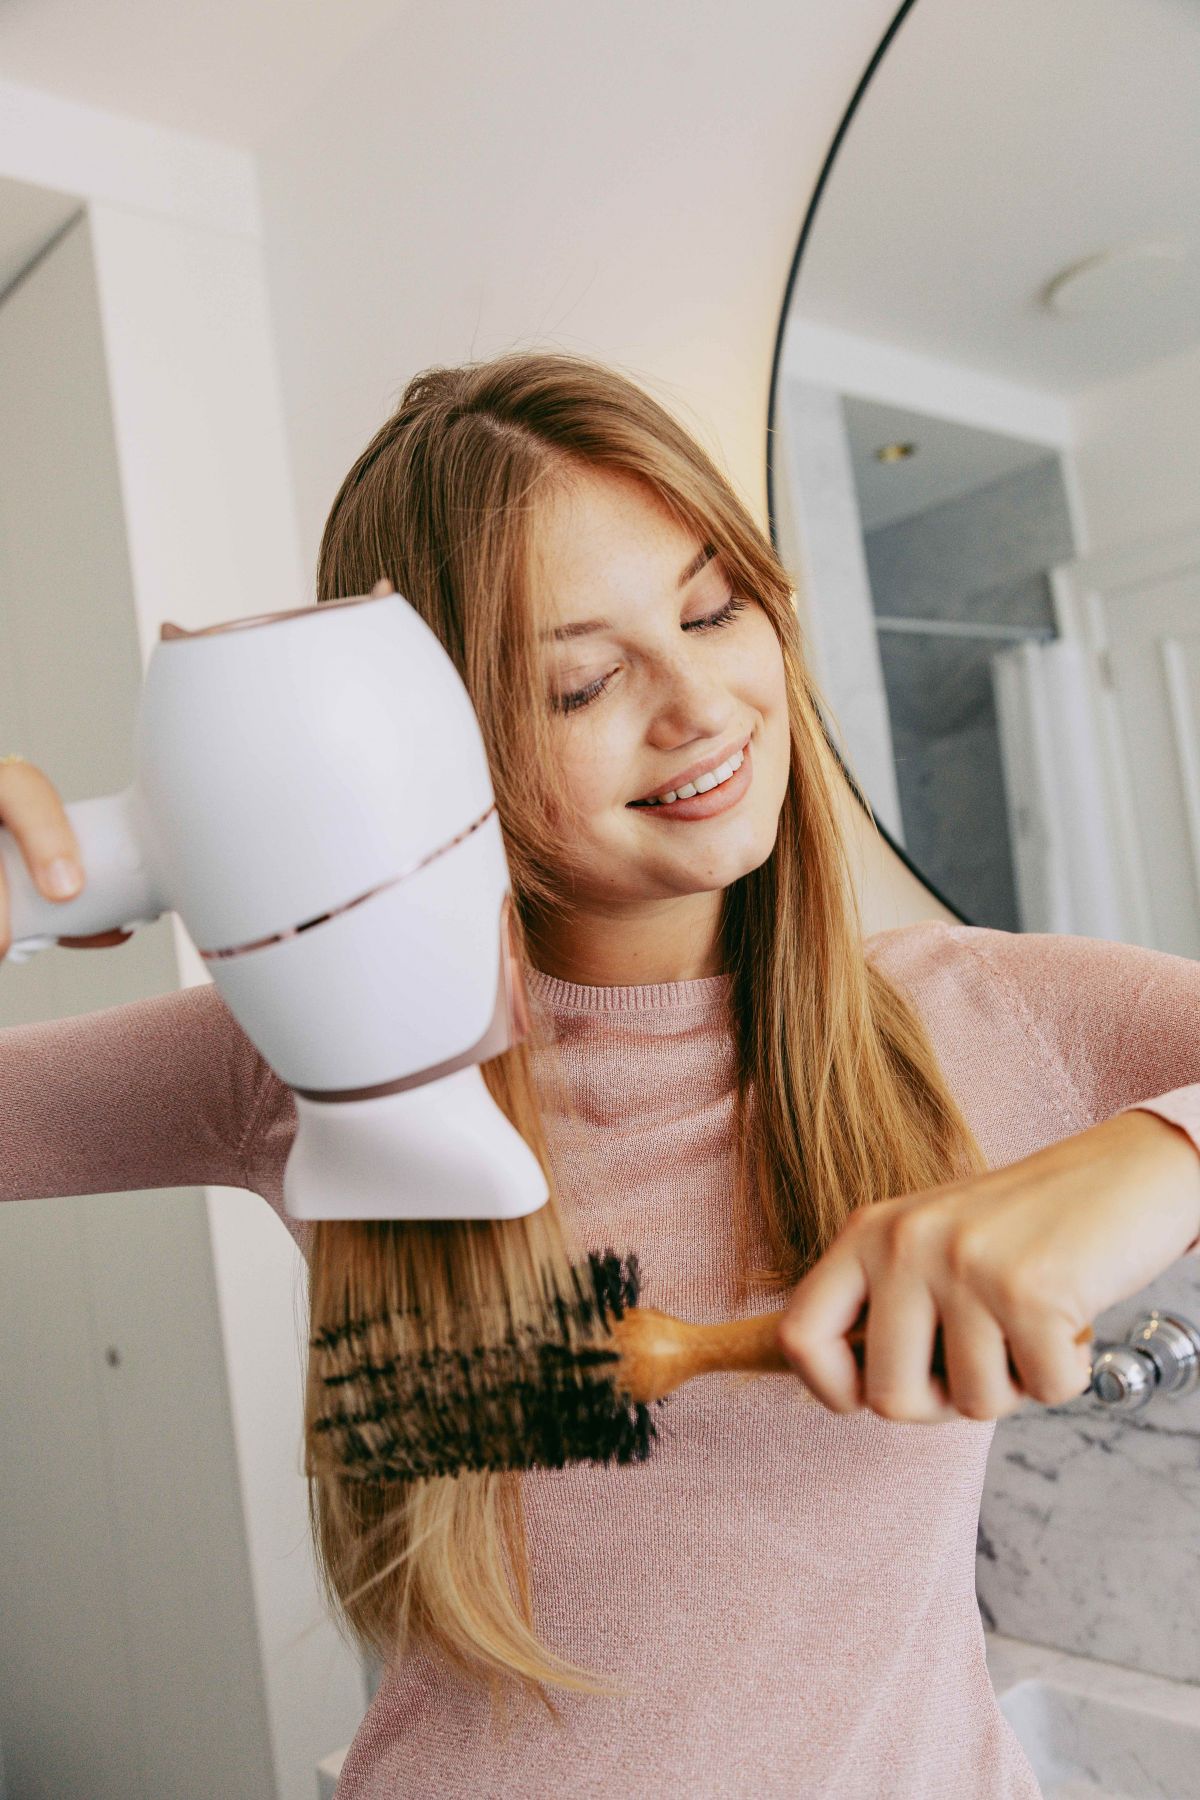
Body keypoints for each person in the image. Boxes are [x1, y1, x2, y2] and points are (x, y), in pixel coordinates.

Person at [2, 349, 1198, 1799]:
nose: (701, 703)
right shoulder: (307, 1062)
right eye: (580, 682)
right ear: (435, 750)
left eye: (713, 609)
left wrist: (1147, 1160)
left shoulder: (1008, 1019)